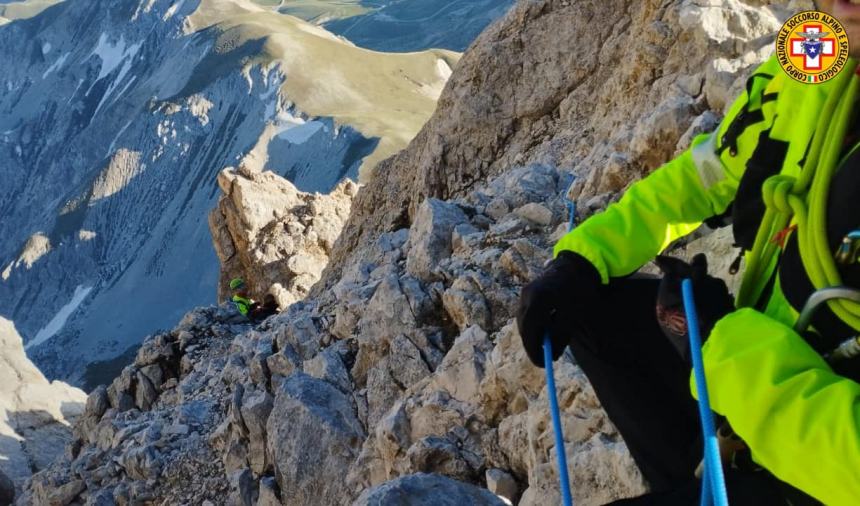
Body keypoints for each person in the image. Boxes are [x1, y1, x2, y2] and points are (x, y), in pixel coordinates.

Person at [517, 1, 860, 504]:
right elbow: (715, 171)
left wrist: (721, 345)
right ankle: (698, 481)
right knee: (591, 311)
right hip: (761, 372)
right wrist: (586, 258)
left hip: (815, 470)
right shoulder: (821, 49)